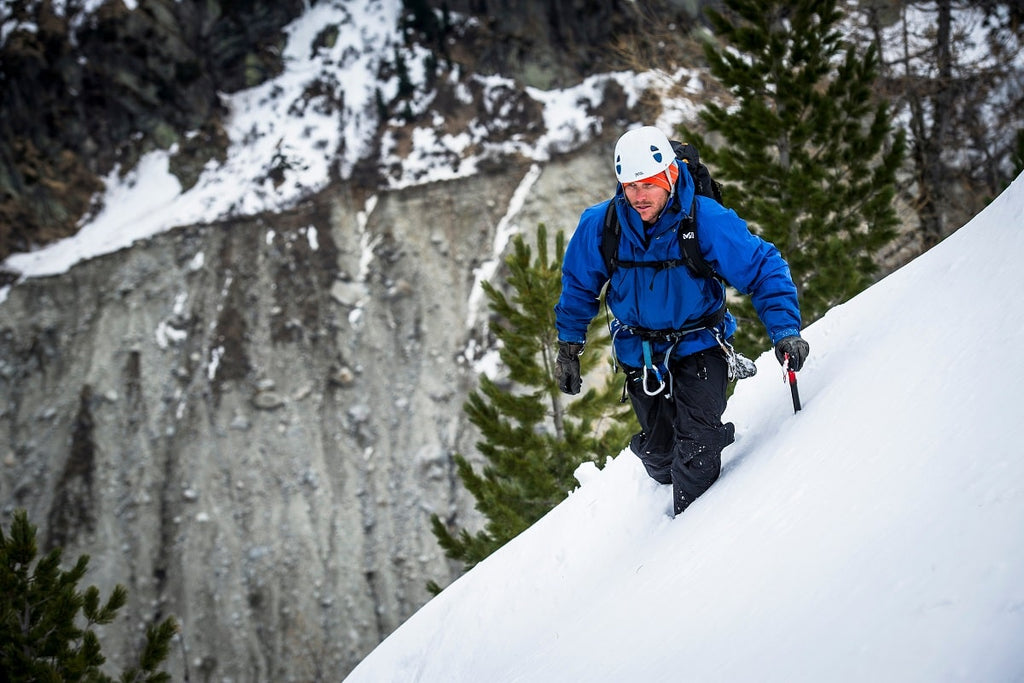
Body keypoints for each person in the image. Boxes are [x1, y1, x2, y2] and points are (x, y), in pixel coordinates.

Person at [554, 126, 809, 516]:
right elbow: (578, 286)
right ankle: (673, 486)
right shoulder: (602, 225)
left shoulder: (705, 219)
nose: (639, 196)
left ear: (671, 175)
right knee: (660, 457)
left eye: (649, 184)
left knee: (696, 450)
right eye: (631, 186)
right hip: (642, 355)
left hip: (700, 345)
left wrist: (785, 330)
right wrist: (569, 348)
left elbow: (763, 268)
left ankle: (689, 535)